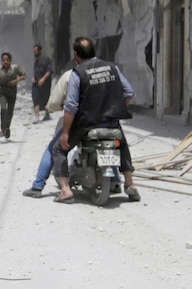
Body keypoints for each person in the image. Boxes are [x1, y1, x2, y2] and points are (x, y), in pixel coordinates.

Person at [51, 36, 140, 204]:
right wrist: (115, 107)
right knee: (122, 145)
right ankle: (130, 183)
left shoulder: (78, 73)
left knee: (58, 150)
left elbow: (71, 106)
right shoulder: (112, 67)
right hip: (110, 121)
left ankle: (65, 190)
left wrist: (65, 132)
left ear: (76, 55)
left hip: (86, 123)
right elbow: (129, 93)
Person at [22, 68, 73, 197]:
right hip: (107, 122)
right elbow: (128, 93)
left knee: (53, 149)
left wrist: (51, 107)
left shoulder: (71, 75)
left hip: (80, 123)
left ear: (77, 57)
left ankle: (38, 186)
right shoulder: (110, 70)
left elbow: (55, 102)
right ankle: (121, 181)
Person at [0, 52, 25, 140]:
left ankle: (7, 128)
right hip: (2, 92)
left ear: (10, 60)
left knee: (10, 111)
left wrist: (16, 81)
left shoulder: (15, 68)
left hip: (12, 92)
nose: (5, 62)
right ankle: (3, 129)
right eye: (3, 60)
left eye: (7, 60)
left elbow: (23, 75)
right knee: (3, 109)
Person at [31, 44, 53, 123]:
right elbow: (36, 72)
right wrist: (33, 78)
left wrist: (43, 79)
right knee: (35, 98)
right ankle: (37, 117)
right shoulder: (36, 61)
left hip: (45, 84)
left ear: (39, 51)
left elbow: (50, 71)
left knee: (45, 99)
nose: (34, 53)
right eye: (34, 51)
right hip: (36, 84)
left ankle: (47, 114)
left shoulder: (47, 59)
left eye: (35, 51)